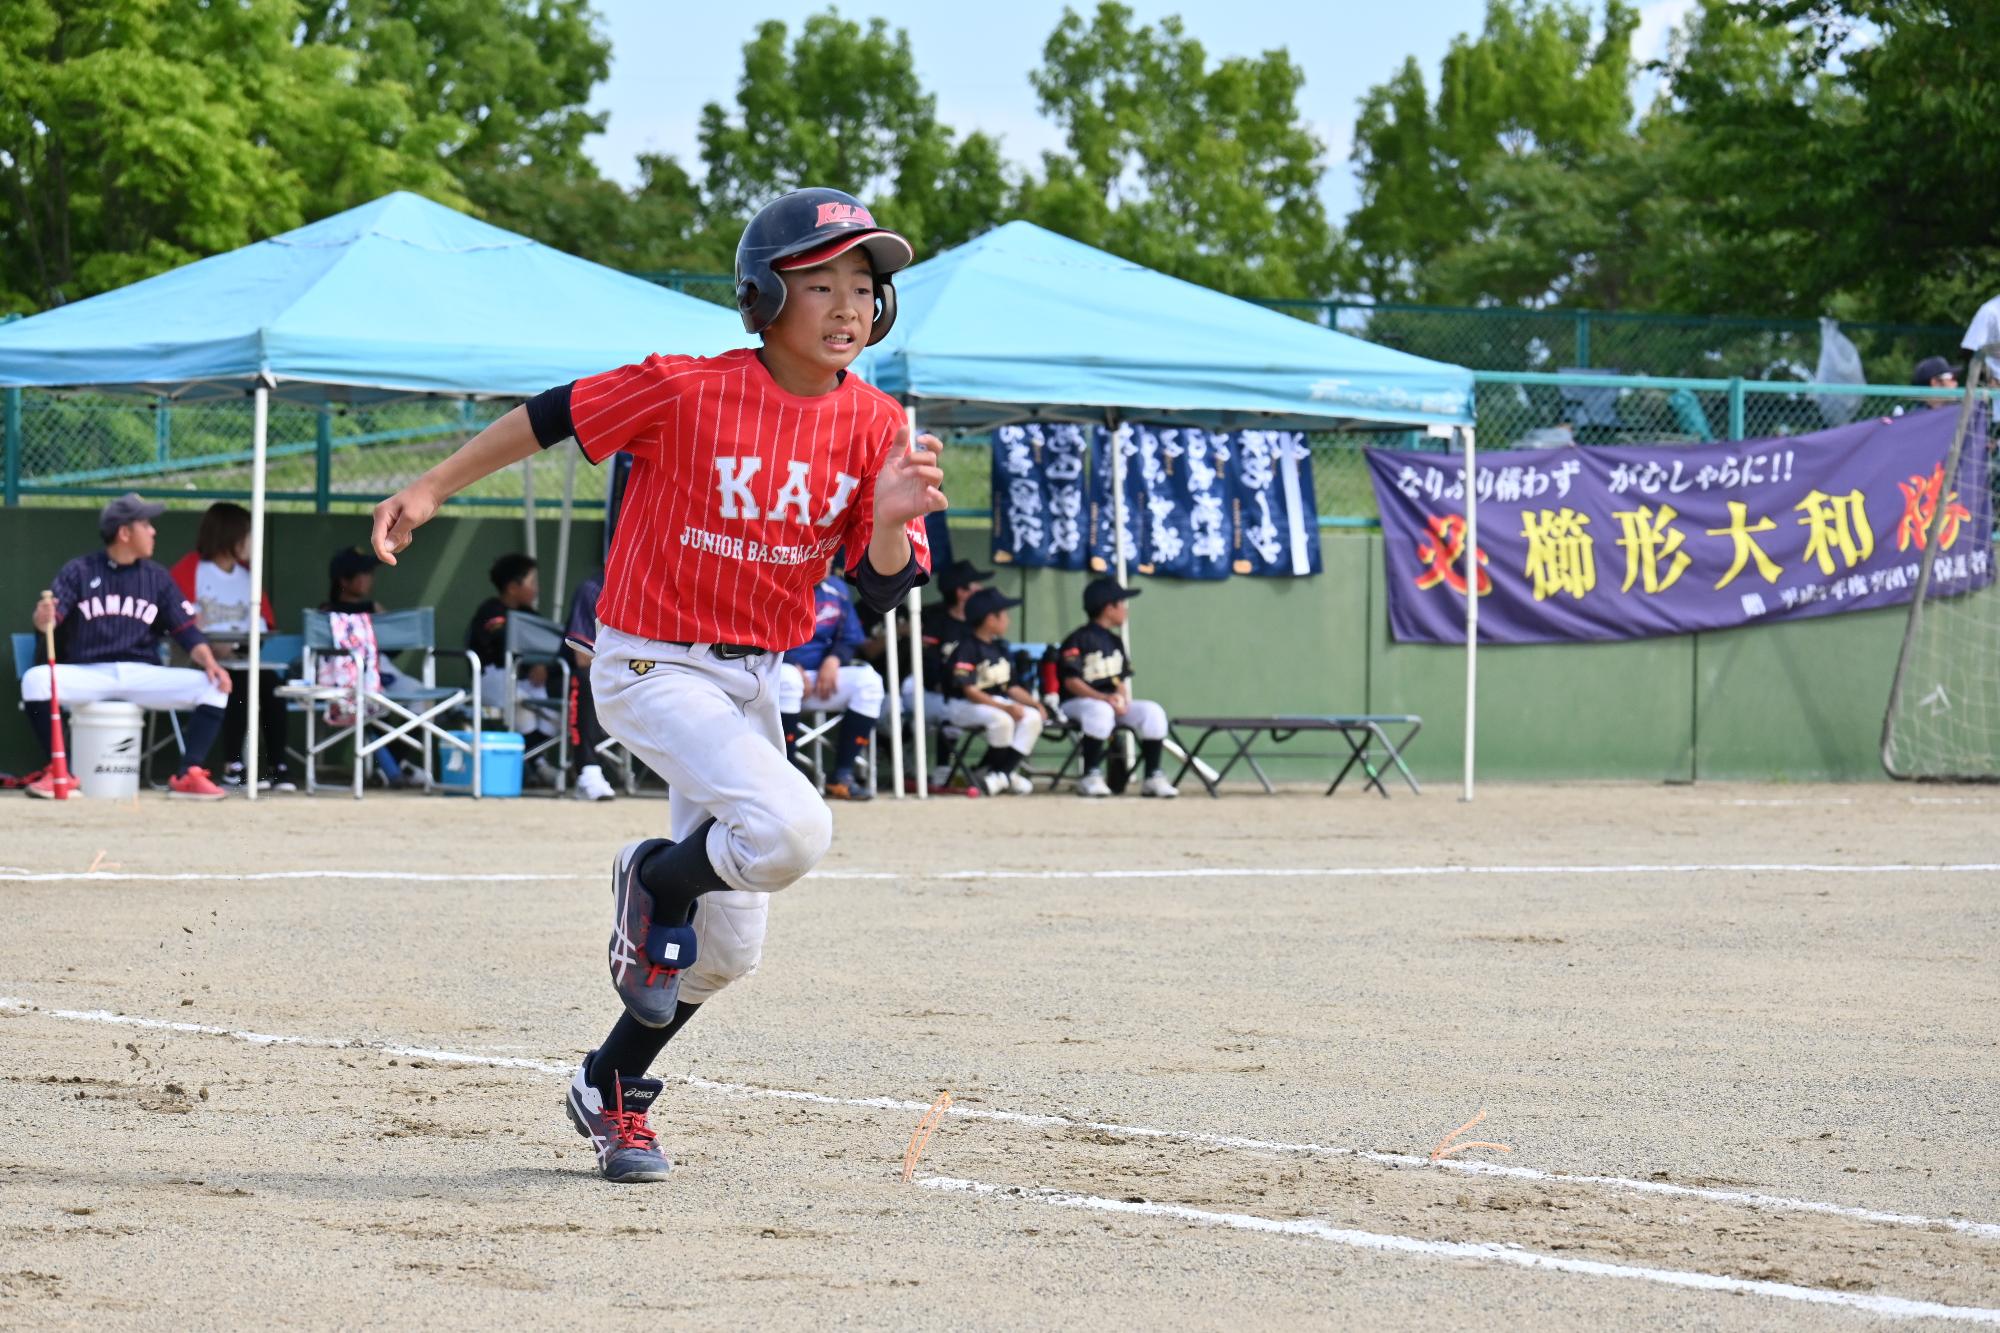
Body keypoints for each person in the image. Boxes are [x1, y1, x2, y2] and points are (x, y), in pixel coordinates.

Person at [368, 186, 941, 1184]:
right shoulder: (685, 387)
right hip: (646, 661)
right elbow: (551, 416)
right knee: (794, 831)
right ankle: (655, 877)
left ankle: (609, 1086)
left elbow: (882, 586)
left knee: (725, 954)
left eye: (863, 285)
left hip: (752, 682)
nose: (849, 304)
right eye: (820, 283)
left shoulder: (874, 423)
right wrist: (431, 486)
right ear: (761, 295)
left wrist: (889, 515)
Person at [20, 493, 232, 800]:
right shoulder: (79, 571)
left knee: (215, 686)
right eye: (145, 524)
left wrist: (211, 664)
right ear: (124, 532)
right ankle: (59, 771)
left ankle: (189, 774)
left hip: (141, 673)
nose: (153, 531)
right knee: (34, 680)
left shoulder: (157, 577)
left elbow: (186, 631)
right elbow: (50, 621)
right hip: (88, 672)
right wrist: (42, 618)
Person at [169, 502, 293, 791]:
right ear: (229, 535)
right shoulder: (191, 568)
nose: (251, 542)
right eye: (246, 534)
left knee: (270, 685)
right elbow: (177, 621)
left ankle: (279, 766)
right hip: (196, 660)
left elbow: (263, 624)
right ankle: (233, 765)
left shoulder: (248, 575)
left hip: (239, 657)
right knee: (235, 682)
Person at [1057, 578, 1177, 799]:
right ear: (1108, 607)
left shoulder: (1115, 642)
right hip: (1076, 704)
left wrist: (1121, 699)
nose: (1125, 609)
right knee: (1099, 710)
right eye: (1121, 603)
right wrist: (1103, 698)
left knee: (1153, 711)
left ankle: (1152, 776)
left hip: (1107, 703)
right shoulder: (1077, 639)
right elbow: (1071, 682)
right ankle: (1090, 775)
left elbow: (1119, 681)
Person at [318, 544, 421, 789]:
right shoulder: (325, 612)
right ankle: (393, 770)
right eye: (362, 573)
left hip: (379, 667)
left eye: (369, 573)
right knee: (366, 701)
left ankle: (392, 764)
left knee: (421, 694)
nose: (368, 578)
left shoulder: (374, 608)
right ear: (344, 579)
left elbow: (395, 647)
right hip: (344, 673)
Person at [778, 565, 884, 801]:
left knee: (869, 682)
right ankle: (787, 773)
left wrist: (835, 659)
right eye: (820, 554)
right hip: (778, 676)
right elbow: (759, 635)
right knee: (788, 678)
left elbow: (850, 637)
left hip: (821, 679)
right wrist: (788, 661)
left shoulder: (836, 589)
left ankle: (842, 776)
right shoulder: (777, 582)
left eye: (830, 555)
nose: (825, 561)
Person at [942, 586, 1045, 797]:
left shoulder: (1000, 648)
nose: (1007, 620)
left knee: (1032, 717)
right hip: (962, 705)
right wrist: (1005, 707)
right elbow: (969, 690)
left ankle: (1000, 774)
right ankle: (1000, 774)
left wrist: (1035, 704)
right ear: (990, 619)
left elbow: (1013, 687)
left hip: (992, 702)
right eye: (1004, 615)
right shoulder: (967, 647)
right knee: (1003, 719)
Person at [467, 552, 558, 772]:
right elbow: (502, 641)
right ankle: (532, 765)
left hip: (523, 680)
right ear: (512, 587)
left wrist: (542, 666)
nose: (536, 588)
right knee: (522, 703)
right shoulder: (491, 609)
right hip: (490, 678)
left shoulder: (529, 613)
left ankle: (534, 762)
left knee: (553, 711)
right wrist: (529, 664)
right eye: (531, 582)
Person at [562, 571, 617, 801]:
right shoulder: (595, 587)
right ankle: (588, 771)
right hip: (578, 677)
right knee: (586, 678)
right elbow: (582, 657)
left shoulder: (653, 585)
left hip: (632, 674)